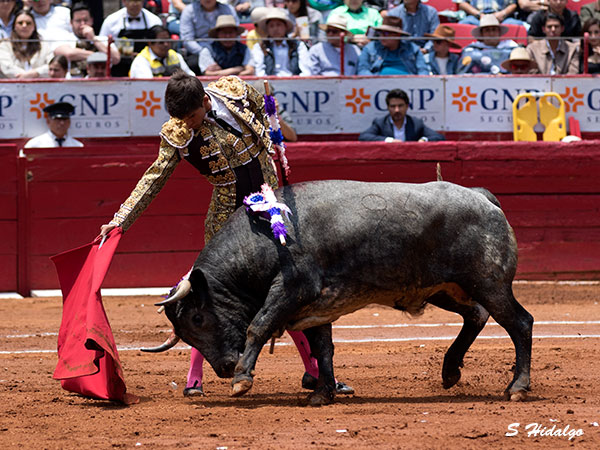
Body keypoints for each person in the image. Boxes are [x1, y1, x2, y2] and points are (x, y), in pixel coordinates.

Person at [99, 71, 353, 397]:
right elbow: (153, 179)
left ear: (205, 101)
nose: (187, 125)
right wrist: (121, 219)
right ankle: (194, 378)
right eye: (181, 118)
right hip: (227, 218)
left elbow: (263, 114)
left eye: (191, 117)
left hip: (268, 204)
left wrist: (275, 137)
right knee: (210, 300)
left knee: (290, 288)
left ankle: (314, 372)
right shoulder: (177, 133)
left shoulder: (234, 90)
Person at [54, 2, 121, 78]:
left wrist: (93, 39)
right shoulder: (64, 38)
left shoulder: (103, 39)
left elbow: (115, 59)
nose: (82, 24)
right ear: (71, 22)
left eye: (85, 20)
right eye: (78, 21)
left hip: (100, 85)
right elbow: (68, 54)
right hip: (72, 85)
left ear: (92, 20)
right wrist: (98, 56)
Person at [99, 0, 162, 76]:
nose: (134, 4)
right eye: (130, 1)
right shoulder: (111, 21)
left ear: (142, 2)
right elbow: (101, 42)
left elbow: (160, 43)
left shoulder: (154, 20)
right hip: (119, 67)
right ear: (124, 1)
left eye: (137, 1)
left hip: (146, 67)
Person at [359, 89, 444, 142]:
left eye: (400, 106)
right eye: (393, 106)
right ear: (388, 107)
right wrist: (390, 141)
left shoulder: (416, 123)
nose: (397, 110)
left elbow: (439, 137)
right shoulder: (380, 123)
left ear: (407, 106)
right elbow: (363, 137)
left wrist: (424, 140)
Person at [357, 15, 428, 75]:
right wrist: (375, 82)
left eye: (386, 34)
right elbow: (362, 70)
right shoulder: (370, 48)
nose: (381, 36)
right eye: (380, 33)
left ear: (398, 35)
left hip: (410, 88)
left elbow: (423, 71)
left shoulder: (412, 49)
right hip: (378, 88)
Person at [251, 7, 311, 76]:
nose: (275, 29)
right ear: (267, 29)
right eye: (271, 26)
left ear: (285, 27)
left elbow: (306, 71)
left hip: (294, 82)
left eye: (278, 25)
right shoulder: (260, 46)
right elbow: (259, 72)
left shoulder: (298, 45)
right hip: (269, 83)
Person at [0, 9, 54, 79]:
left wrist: (35, 73)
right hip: (12, 86)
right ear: (14, 27)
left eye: (28, 23)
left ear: (34, 27)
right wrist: (25, 76)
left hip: (39, 87)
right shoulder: (5, 45)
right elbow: (6, 67)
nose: (24, 26)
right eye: (20, 23)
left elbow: (52, 65)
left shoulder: (43, 45)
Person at [130, 24, 195, 77]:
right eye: (161, 42)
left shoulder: (176, 56)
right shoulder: (141, 61)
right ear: (150, 43)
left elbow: (191, 76)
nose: (166, 44)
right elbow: (147, 85)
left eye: (168, 41)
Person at [458, 0, 527, 28]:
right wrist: (478, 14)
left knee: (520, 26)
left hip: (501, 19)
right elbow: (462, 3)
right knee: (462, 26)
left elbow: (513, 5)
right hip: (477, 18)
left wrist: (503, 13)